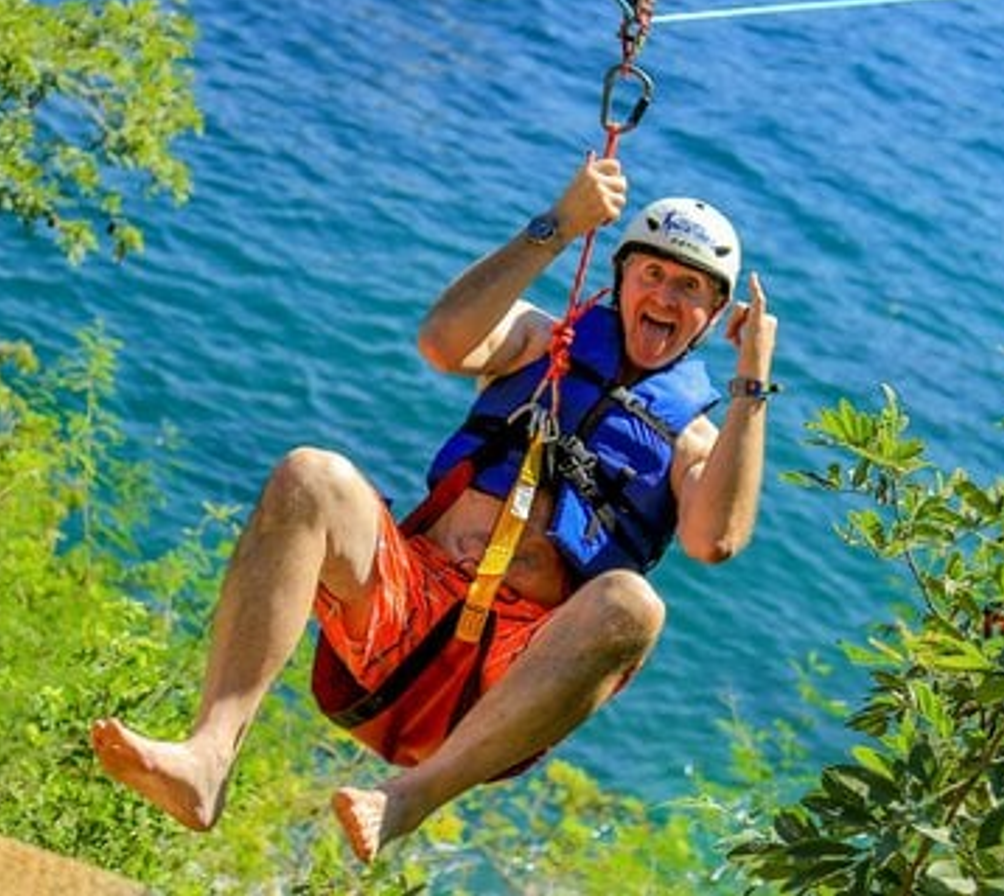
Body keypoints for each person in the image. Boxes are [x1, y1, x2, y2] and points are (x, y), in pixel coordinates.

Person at [90, 156, 778, 862]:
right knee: (310, 475)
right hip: (404, 606)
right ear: (623, 277)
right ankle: (208, 756)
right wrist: (559, 225)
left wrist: (751, 381)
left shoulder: (696, 442)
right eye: (653, 273)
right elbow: (443, 338)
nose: (665, 295)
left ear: (712, 316)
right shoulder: (545, 339)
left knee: (635, 604)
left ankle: (409, 797)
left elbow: (714, 539)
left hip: (504, 676)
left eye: (690, 287)